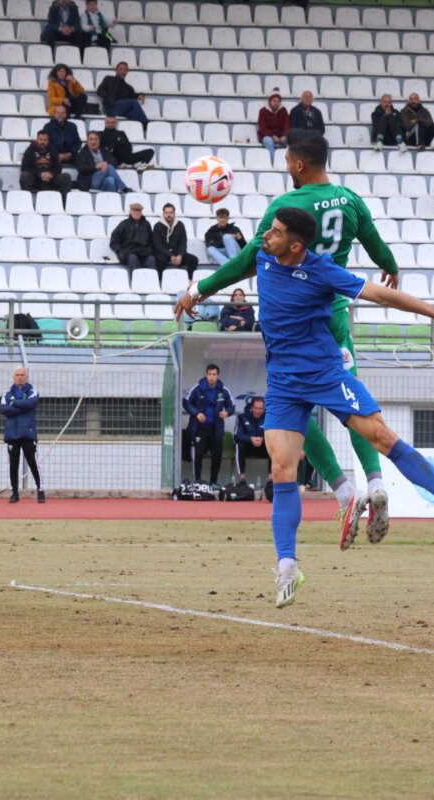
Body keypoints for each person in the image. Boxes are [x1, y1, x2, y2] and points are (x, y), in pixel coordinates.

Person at [175, 133, 403, 546]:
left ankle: (343, 491)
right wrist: (391, 266)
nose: (284, 166)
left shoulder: (285, 209)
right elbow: (376, 247)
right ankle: (375, 480)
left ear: (298, 165)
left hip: (293, 322)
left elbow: (249, 261)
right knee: (352, 403)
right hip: (335, 317)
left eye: (286, 160)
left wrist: (201, 288)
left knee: (290, 411)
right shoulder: (350, 199)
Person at [248, 209, 434, 606]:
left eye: (276, 232)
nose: (266, 235)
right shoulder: (261, 255)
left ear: (297, 245)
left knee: (381, 436)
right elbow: (231, 270)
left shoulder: (321, 270)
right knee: (281, 467)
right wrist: (196, 290)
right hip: (284, 383)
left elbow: (382, 294)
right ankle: (288, 568)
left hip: (326, 373)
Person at [182, 364, 235, 489]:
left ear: (218, 376)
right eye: (210, 374)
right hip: (200, 428)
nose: (212, 377)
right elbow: (186, 402)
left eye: (214, 375)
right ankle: (197, 481)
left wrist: (227, 412)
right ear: (206, 375)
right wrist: (197, 413)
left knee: (216, 456)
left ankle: (213, 482)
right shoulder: (197, 388)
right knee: (198, 454)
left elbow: (232, 406)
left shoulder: (223, 390)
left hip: (216, 428)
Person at [0, 366, 43, 504]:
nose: (20, 377)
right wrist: (22, 407)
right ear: (13, 377)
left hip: (28, 435)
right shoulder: (7, 393)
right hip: (12, 435)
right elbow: (4, 409)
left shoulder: (32, 392)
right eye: (17, 374)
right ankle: (14, 493)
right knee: (13, 465)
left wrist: (14, 404)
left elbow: (31, 404)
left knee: (33, 463)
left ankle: (40, 490)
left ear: (27, 376)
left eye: (22, 374)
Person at [152, 203, 199, 279]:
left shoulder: (180, 225)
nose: (169, 215)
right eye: (166, 213)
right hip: (163, 254)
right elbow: (158, 245)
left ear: (174, 213)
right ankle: (160, 281)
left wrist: (180, 255)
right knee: (160, 261)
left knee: (194, 260)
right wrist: (170, 255)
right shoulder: (157, 226)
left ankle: (189, 280)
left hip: (177, 253)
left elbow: (183, 243)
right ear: (163, 214)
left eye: (171, 212)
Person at [20, 131, 72, 197]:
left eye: (45, 140)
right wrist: (40, 174)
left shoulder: (53, 150)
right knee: (25, 176)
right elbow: (24, 167)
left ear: (48, 141)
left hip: (50, 180)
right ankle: (26, 203)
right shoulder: (30, 150)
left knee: (66, 177)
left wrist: (51, 174)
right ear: (37, 140)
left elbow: (58, 168)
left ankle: (65, 205)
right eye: (41, 139)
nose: (42, 142)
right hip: (36, 180)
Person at [110, 202, 156, 274]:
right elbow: (114, 240)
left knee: (151, 259)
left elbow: (151, 241)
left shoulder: (146, 224)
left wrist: (150, 251)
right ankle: (135, 282)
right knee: (133, 259)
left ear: (141, 212)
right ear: (130, 211)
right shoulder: (124, 224)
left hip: (144, 253)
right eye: (134, 210)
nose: (136, 213)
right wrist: (120, 252)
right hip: (128, 253)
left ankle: (151, 282)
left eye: (138, 211)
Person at [233, 396, 267, 484]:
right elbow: (237, 435)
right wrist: (250, 438)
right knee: (238, 445)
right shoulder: (242, 417)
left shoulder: (269, 417)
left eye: (260, 408)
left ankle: (271, 479)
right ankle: (242, 479)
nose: (258, 411)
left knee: (275, 445)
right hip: (248, 447)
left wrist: (263, 439)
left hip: (263, 448)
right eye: (255, 408)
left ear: (264, 408)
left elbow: (274, 435)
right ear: (251, 407)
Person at [258, 92, 291, 160]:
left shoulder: (283, 110)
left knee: (292, 140)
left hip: (281, 135)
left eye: (278, 101)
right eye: (274, 101)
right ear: (270, 101)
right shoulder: (263, 111)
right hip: (268, 136)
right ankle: (273, 161)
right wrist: (272, 136)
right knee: (268, 141)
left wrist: (285, 135)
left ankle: (287, 161)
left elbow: (287, 125)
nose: (276, 103)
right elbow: (262, 127)